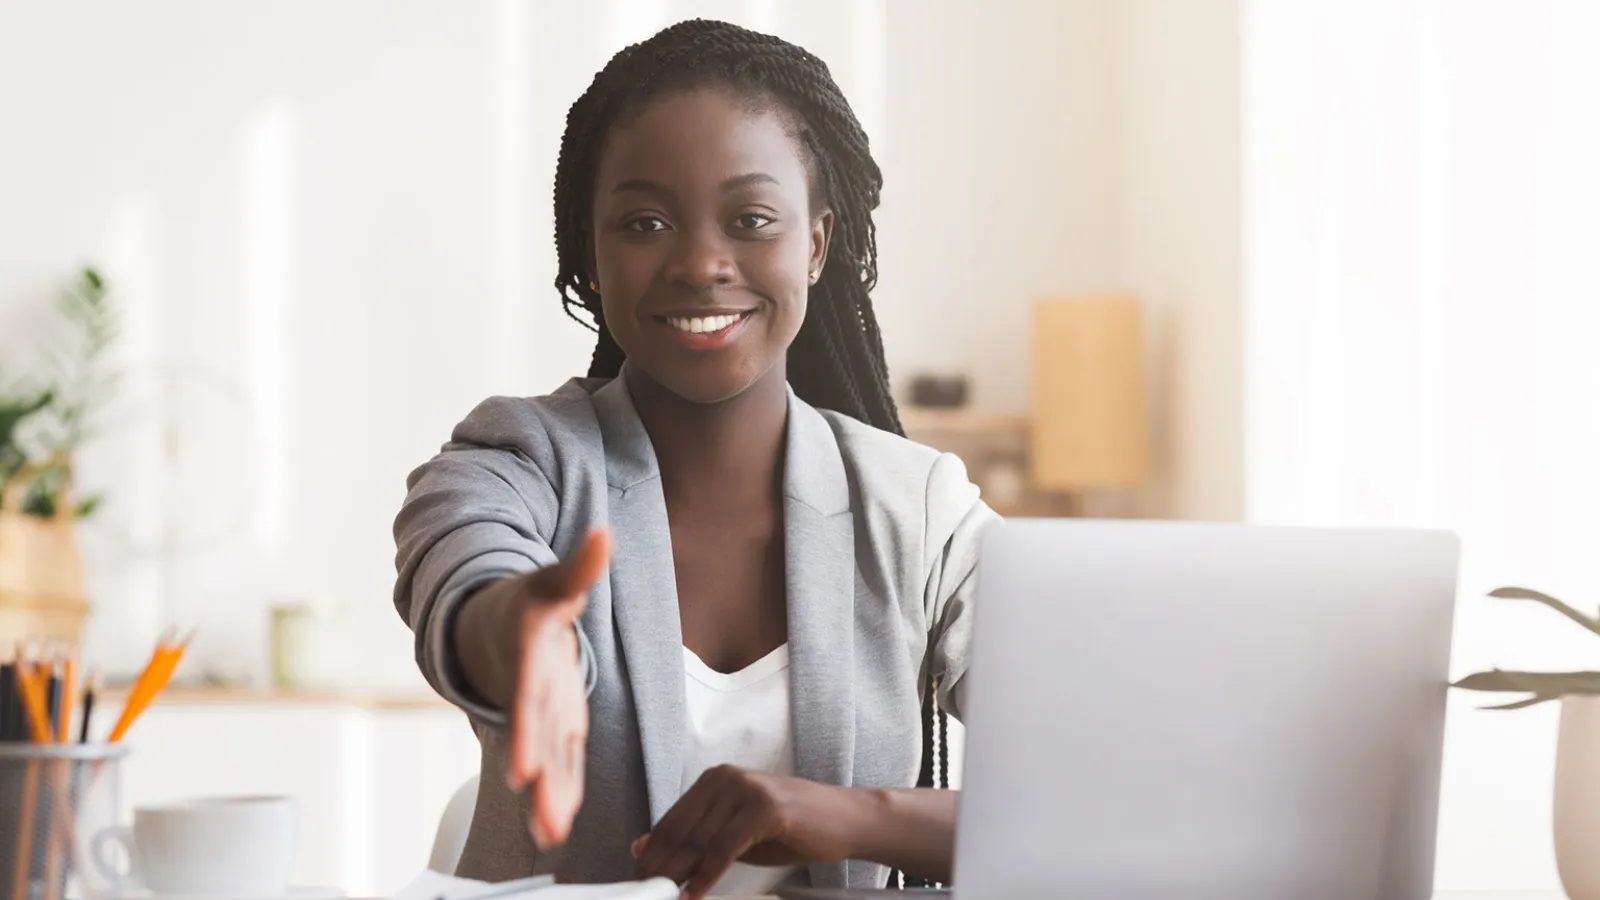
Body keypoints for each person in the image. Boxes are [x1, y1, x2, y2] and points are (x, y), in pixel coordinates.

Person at [392, 18, 996, 899]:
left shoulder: (921, 510)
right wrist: (523, 638)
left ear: (817, 243)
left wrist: (839, 814)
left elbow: (1076, 797)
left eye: (751, 219)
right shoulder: (517, 460)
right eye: (644, 222)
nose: (702, 263)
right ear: (590, 256)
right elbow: (464, 566)